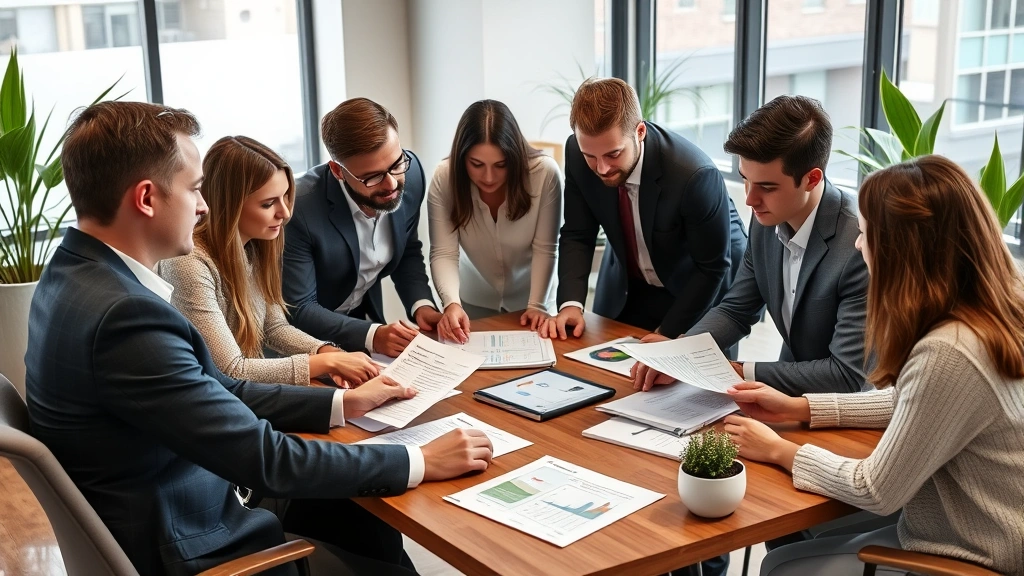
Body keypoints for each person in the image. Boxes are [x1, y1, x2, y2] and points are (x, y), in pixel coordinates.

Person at [26, 101, 493, 576]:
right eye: (194, 190)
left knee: (363, 523)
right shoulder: (126, 315)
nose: (205, 206)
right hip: (198, 545)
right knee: (376, 540)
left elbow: (212, 388)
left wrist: (338, 406)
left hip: (169, 510)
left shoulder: (70, 276)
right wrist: (417, 460)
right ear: (147, 198)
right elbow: (264, 458)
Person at [723, 155, 1024, 575]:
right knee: (816, 540)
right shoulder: (995, 307)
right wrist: (803, 408)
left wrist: (778, 449)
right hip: (996, 530)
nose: (859, 246)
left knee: (782, 564)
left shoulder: (949, 352)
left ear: (902, 252)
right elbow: (920, 401)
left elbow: (875, 489)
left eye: (864, 235)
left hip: (974, 553)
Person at [631, 95, 869, 396]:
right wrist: (682, 353)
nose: (750, 200)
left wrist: (740, 370)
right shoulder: (765, 219)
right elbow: (736, 310)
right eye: (746, 180)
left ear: (811, 179)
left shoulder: (860, 246)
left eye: (767, 187)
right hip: (789, 393)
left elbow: (846, 376)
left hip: (849, 415)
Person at [160, 135, 378, 387]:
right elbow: (230, 369)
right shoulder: (189, 263)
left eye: (285, 196)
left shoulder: (257, 244)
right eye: (268, 203)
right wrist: (326, 364)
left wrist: (330, 353)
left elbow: (274, 327)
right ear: (229, 206)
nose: (285, 213)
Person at [542, 77, 746, 342]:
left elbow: (711, 267)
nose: (601, 168)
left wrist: (668, 333)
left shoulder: (693, 175)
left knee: (690, 379)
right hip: (629, 284)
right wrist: (570, 304)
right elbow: (578, 233)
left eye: (613, 154)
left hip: (698, 286)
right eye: (590, 156)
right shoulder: (579, 152)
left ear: (640, 132)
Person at [283, 98, 442, 357]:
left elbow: (407, 251)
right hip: (305, 347)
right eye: (372, 177)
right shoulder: (299, 208)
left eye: (396, 164)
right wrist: (373, 334)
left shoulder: (411, 176)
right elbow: (299, 308)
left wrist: (422, 306)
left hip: (361, 325)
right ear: (337, 170)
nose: (391, 183)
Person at [427, 100, 563, 342]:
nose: (489, 177)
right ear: (462, 158)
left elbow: (546, 247)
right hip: (472, 301)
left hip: (534, 302)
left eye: (501, 165)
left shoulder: (544, 174)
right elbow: (444, 252)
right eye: (476, 164)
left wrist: (537, 305)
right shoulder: (444, 178)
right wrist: (450, 304)